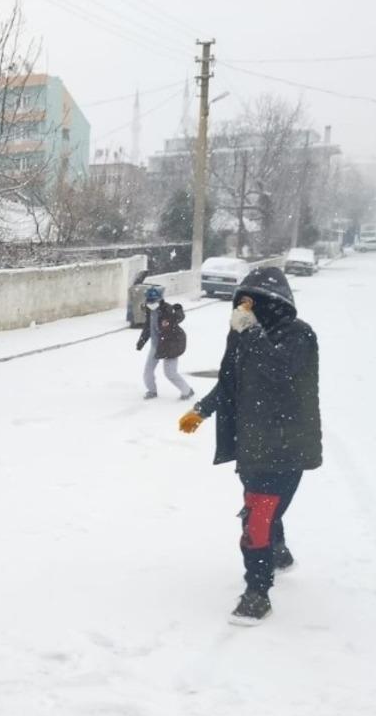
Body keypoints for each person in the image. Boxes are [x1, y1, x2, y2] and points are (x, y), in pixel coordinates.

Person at [178, 267, 322, 625]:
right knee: (261, 510)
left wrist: (251, 332)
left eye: (253, 302)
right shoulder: (242, 336)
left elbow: (281, 371)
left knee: (257, 518)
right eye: (242, 302)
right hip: (250, 445)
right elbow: (230, 381)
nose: (246, 308)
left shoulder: (299, 335)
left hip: (285, 446)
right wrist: (201, 410)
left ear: (274, 303)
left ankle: (258, 593)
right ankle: (277, 551)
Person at [136, 284, 194, 401]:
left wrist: (178, 310)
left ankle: (187, 391)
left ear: (160, 299)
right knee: (148, 371)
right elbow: (148, 327)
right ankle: (152, 391)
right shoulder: (149, 311)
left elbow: (178, 318)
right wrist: (141, 341)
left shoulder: (167, 310)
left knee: (170, 373)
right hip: (156, 345)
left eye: (153, 300)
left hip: (170, 345)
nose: (151, 303)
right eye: (149, 300)